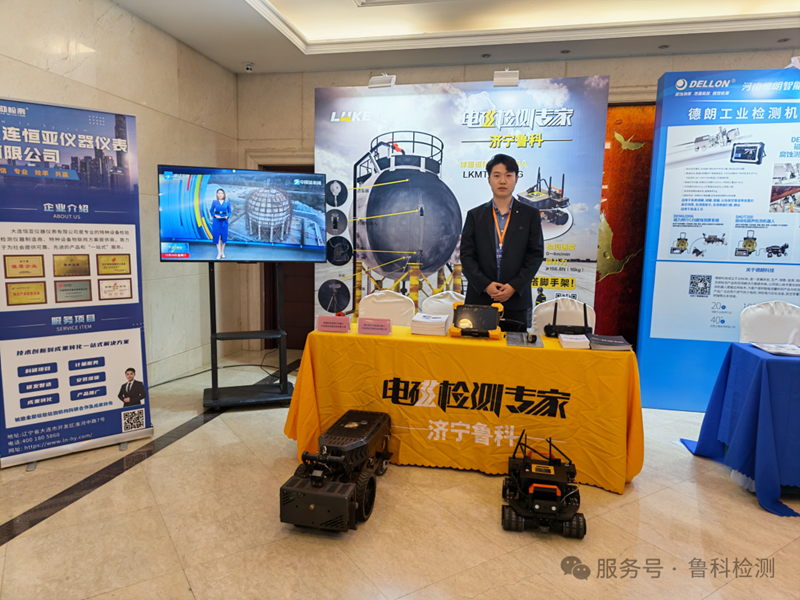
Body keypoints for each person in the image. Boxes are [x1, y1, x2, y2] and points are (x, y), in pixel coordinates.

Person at [460, 154, 544, 328]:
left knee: (514, 345)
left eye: (508, 175)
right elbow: (466, 256)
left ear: (516, 179)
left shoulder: (530, 215)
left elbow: (535, 255)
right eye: (497, 175)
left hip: (516, 299)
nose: (502, 181)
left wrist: (514, 286)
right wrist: (486, 285)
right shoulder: (475, 215)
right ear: (489, 180)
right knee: (478, 344)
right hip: (480, 299)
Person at [210, 188, 232, 259]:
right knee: (218, 237)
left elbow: (229, 212)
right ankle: (219, 253)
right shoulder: (214, 202)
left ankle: (222, 252)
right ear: (217, 194)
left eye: (221, 193)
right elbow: (211, 211)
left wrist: (227, 216)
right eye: (219, 193)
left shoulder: (227, 202)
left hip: (224, 221)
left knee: (223, 237)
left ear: (224, 194)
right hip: (217, 221)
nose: (220, 194)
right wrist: (215, 215)